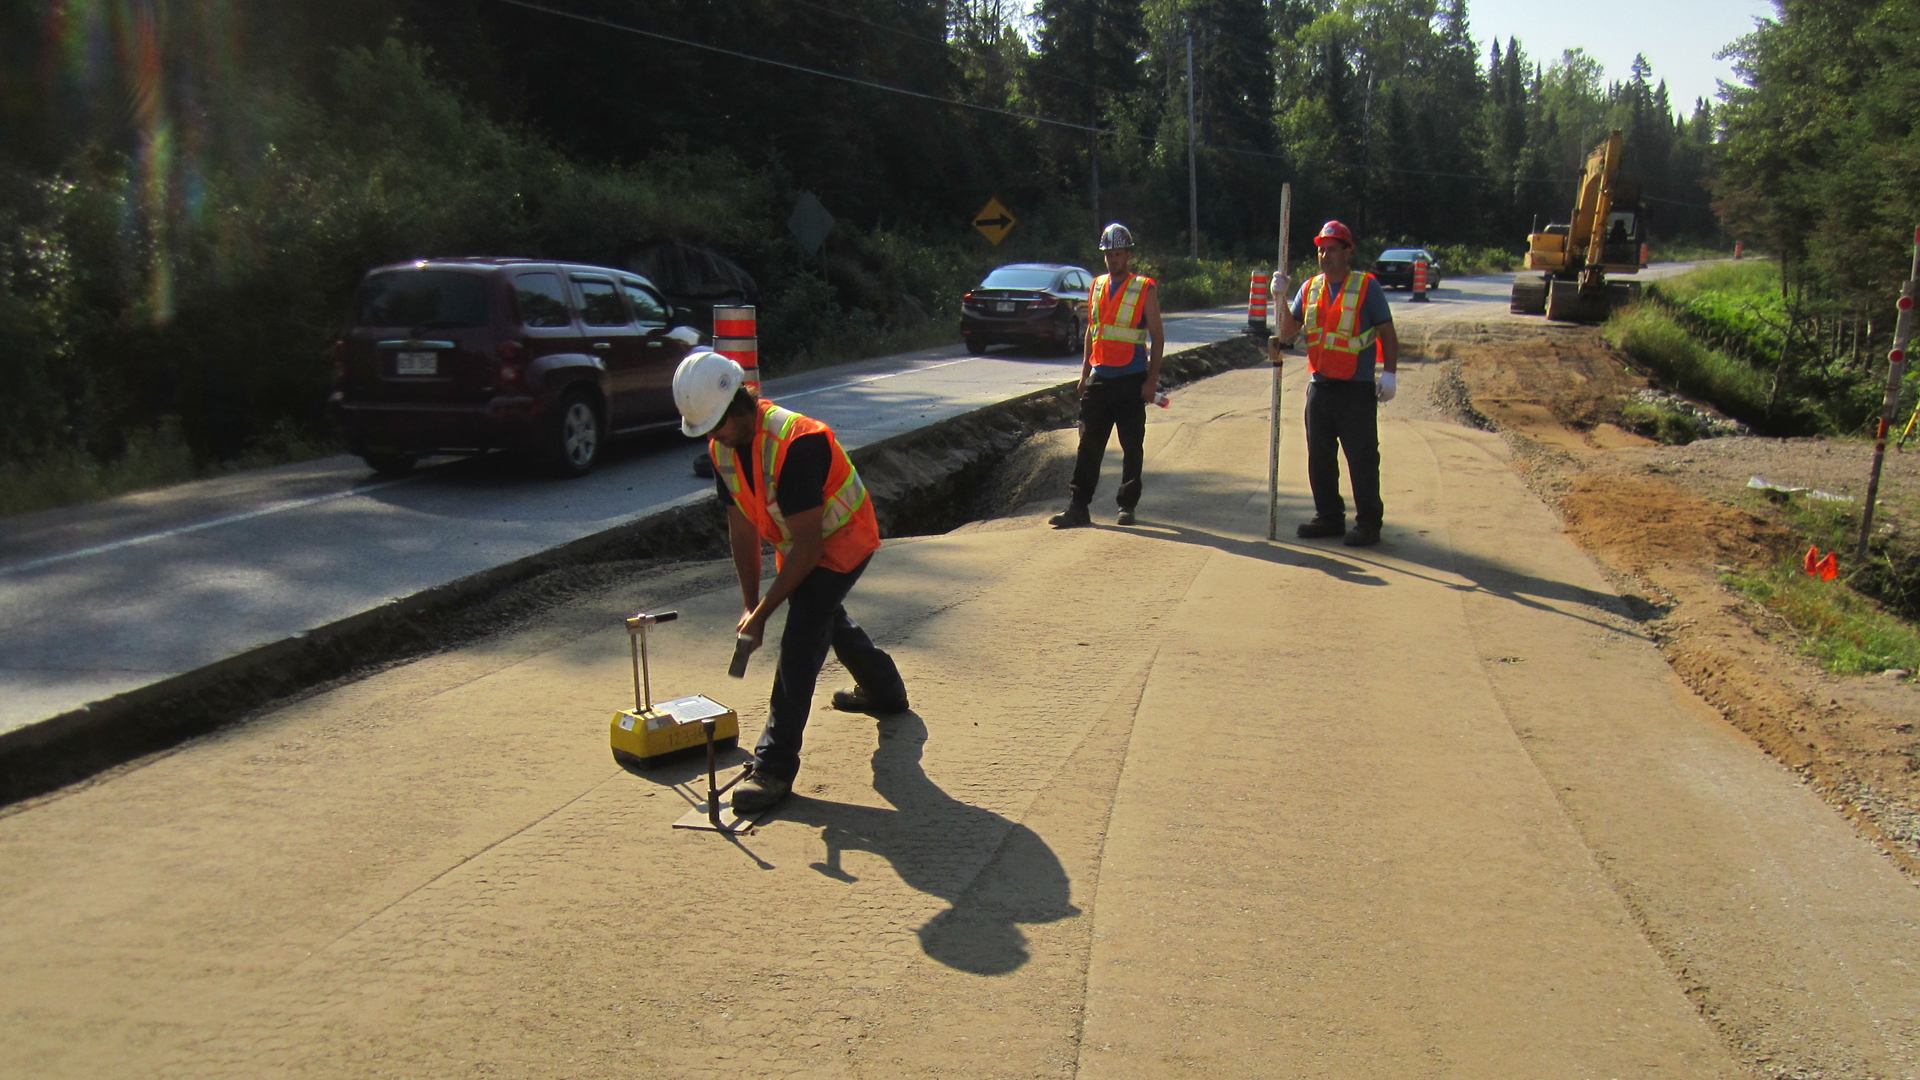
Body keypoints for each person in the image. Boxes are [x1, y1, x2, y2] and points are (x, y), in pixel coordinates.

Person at [672, 350, 910, 812]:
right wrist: (748, 604)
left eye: (716, 425)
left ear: (736, 404)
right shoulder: (723, 448)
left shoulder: (796, 441)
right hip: (801, 545)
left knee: (802, 632)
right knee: (822, 616)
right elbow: (740, 528)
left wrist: (764, 614)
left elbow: (810, 547)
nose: (713, 436)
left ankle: (774, 766)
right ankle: (885, 689)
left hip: (842, 538)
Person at [1274, 220, 1400, 547]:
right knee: (1319, 456)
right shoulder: (1310, 288)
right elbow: (1288, 332)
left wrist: (1389, 373)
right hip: (1321, 385)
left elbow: (1387, 331)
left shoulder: (1366, 288)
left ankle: (1369, 522)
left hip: (1355, 388)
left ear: (1347, 251)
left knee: (1361, 457)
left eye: (1331, 249)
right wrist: (1281, 297)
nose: (1325, 255)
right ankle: (1329, 517)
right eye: (1321, 249)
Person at [1049, 222, 1166, 528]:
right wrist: (1085, 373)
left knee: (1132, 445)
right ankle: (1078, 506)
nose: (1113, 259)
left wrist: (1151, 381)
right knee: (1088, 444)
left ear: (1128, 255)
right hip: (1100, 379)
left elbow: (1157, 336)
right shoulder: (1098, 285)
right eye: (1108, 254)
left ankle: (1127, 505)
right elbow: (1092, 330)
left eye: (1118, 253)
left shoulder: (1144, 288)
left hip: (1131, 378)